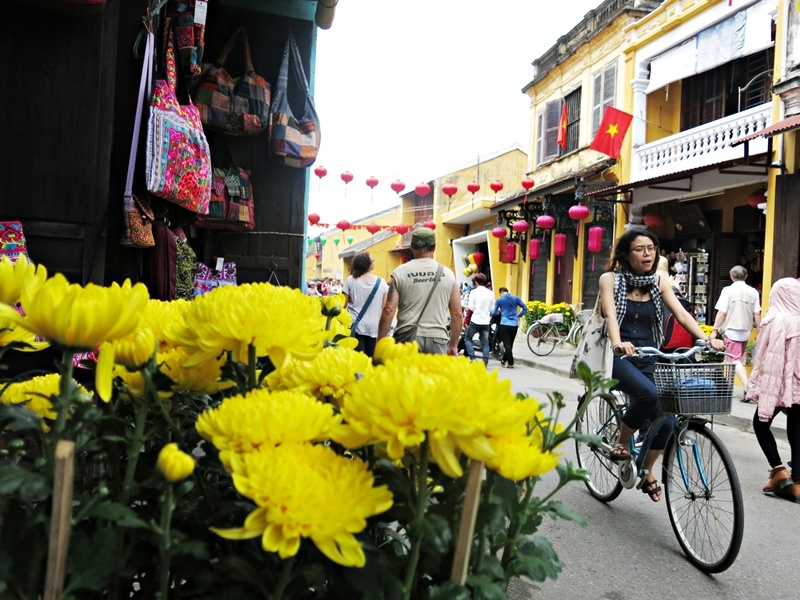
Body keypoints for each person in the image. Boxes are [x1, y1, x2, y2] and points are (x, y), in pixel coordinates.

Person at [601, 228, 724, 503]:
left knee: (667, 418)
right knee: (649, 394)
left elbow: (681, 313)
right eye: (639, 249)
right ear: (626, 253)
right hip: (617, 355)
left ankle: (647, 469)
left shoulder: (659, 282)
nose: (647, 254)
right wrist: (618, 342)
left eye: (651, 248)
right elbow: (610, 314)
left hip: (649, 354)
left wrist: (705, 339)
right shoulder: (610, 279)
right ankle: (622, 441)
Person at [746, 277, 800, 502]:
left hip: (779, 385)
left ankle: (778, 469)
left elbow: (770, 360)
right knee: (796, 432)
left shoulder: (775, 320)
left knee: (761, 423)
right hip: (797, 387)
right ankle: (796, 483)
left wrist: (760, 390)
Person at [378, 227, 462, 355]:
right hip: (437, 340)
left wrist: (380, 342)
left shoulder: (400, 272)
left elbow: (389, 309)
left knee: (406, 375)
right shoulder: (448, 274)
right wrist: (453, 345)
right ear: (434, 247)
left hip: (406, 339)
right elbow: (457, 314)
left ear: (411, 247)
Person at [711, 265, 761, 400]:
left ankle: (748, 387)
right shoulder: (754, 292)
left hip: (731, 329)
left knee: (734, 359)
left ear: (731, 276)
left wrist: (714, 330)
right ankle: (726, 386)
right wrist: (759, 331)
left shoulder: (728, 290)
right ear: (746, 276)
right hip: (746, 330)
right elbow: (757, 314)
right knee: (733, 358)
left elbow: (722, 312)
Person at [343, 252, 389, 357]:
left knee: (356, 361)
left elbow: (343, 305)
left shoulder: (350, 281)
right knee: (369, 362)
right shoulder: (381, 283)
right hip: (373, 329)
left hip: (354, 327)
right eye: (372, 260)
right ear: (368, 265)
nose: (374, 262)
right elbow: (385, 308)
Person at [463, 273, 495, 365]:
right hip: (486, 322)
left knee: (468, 338)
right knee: (485, 343)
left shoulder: (473, 292)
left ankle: (472, 358)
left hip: (475, 320)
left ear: (476, 282)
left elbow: (471, 307)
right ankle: (485, 362)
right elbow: (492, 309)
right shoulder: (490, 293)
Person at [493, 287, 528, 369]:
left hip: (504, 324)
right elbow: (525, 308)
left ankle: (511, 362)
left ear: (501, 293)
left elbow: (494, 313)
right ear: (507, 292)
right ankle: (504, 360)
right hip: (514, 324)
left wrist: (499, 312)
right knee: (510, 344)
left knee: (507, 345)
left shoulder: (500, 300)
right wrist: (518, 315)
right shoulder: (516, 298)